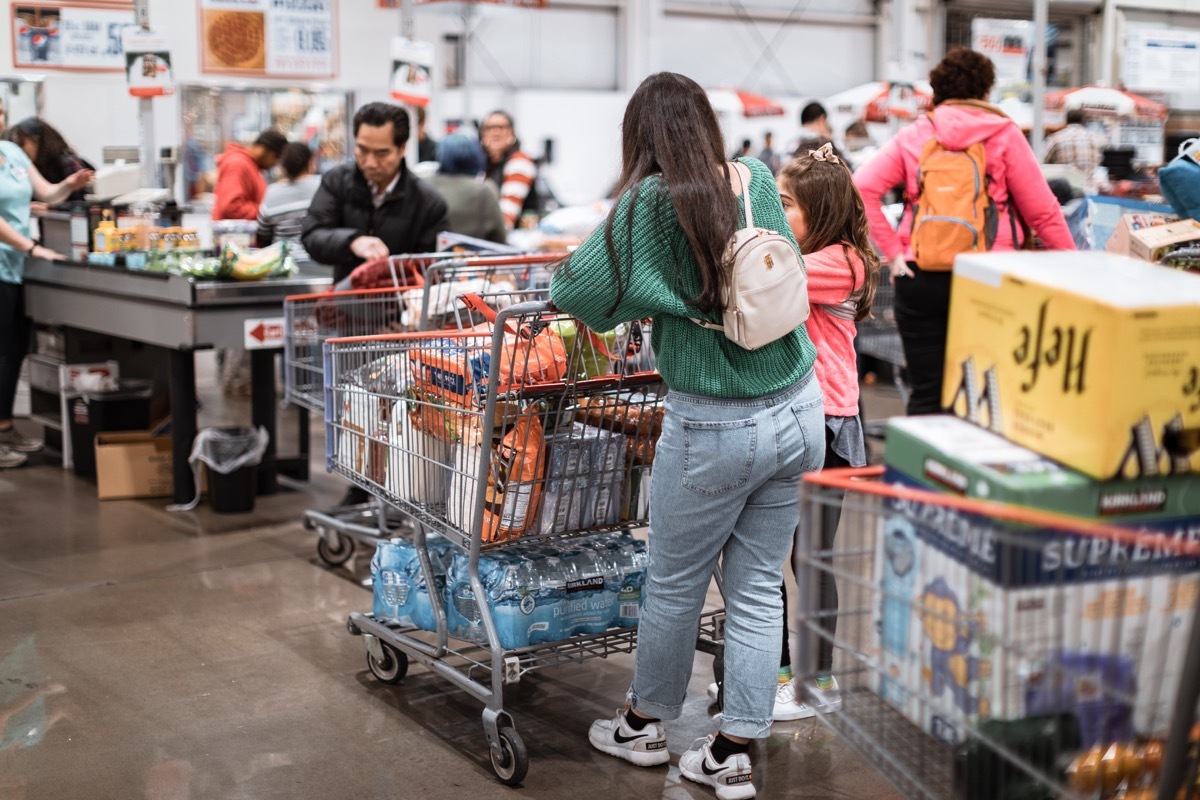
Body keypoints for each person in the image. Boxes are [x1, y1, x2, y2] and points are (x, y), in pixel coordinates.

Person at [549, 72, 825, 800]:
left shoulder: (645, 204)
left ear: (639, 138)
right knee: (760, 586)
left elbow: (572, 291)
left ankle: (644, 727)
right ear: (705, 125)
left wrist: (655, 294)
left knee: (673, 584)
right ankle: (730, 750)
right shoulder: (755, 178)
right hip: (801, 406)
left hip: (715, 426)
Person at [707, 142, 880, 721]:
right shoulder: (812, 253)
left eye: (785, 204)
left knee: (813, 558)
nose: (777, 214)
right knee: (765, 551)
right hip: (791, 413)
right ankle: (773, 668)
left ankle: (819, 681)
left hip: (829, 424)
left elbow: (763, 275)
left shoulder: (841, 261)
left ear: (822, 211)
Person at [853, 47, 1075, 416]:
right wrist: (1076, 269)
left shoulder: (917, 134)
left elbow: (863, 187)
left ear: (938, 90)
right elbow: (1044, 213)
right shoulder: (1004, 134)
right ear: (985, 90)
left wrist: (894, 252)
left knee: (927, 393)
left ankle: (921, 472)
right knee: (990, 394)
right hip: (992, 279)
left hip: (920, 274)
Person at [0, 97, 93, 468]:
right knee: (2, 351)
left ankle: (5, 428)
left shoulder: (12, 153)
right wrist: (33, 247)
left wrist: (70, 183)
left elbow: (45, 193)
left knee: (16, 349)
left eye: (0, 112)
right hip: (9, 261)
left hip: (16, 266)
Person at [301, 101, 450, 284]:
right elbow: (312, 235)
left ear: (402, 148)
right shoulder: (337, 181)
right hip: (345, 303)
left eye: (381, 153)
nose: (370, 162)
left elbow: (432, 268)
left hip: (403, 307)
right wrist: (351, 242)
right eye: (362, 150)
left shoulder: (428, 203)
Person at [427, 133, 506, 244]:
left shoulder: (425, 185)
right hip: (473, 258)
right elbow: (500, 237)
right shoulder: (484, 191)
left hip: (429, 259)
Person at [256, 142, 321, 262]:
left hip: (282, 264)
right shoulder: (322, 185)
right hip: (318, 261)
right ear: (309, 162)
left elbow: (262, 231)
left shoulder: (272, 192)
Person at [4, 118, 94, 203]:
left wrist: (52, 208)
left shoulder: (66, 163)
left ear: (38, 141)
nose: (20, 151)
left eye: (22, 144)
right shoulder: (31, 166)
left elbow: (83, 203)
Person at [480, 110, 539, 231]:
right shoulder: (487, 164)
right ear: (482, 134)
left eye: (501, 127)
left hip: (517, 238)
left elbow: (507, 219)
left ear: (512, 132)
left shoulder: (520, 162)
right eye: (489, 128)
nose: (495, 132)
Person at [211, 128, 287, 220]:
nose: (274, 163)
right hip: (235, 233)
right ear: (262, 149)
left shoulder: (251, 165)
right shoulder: (238, 164)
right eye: (275, 157)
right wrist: (267, 211)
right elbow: (230, 208)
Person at [1044, 108, 1108, 190]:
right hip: (1089, 190)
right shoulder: (1096, 139)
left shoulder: (1055, 138)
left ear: (1066, 120)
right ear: (1083, 121)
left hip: (1066, 191)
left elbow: (1044, 163)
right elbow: (1098, 162)